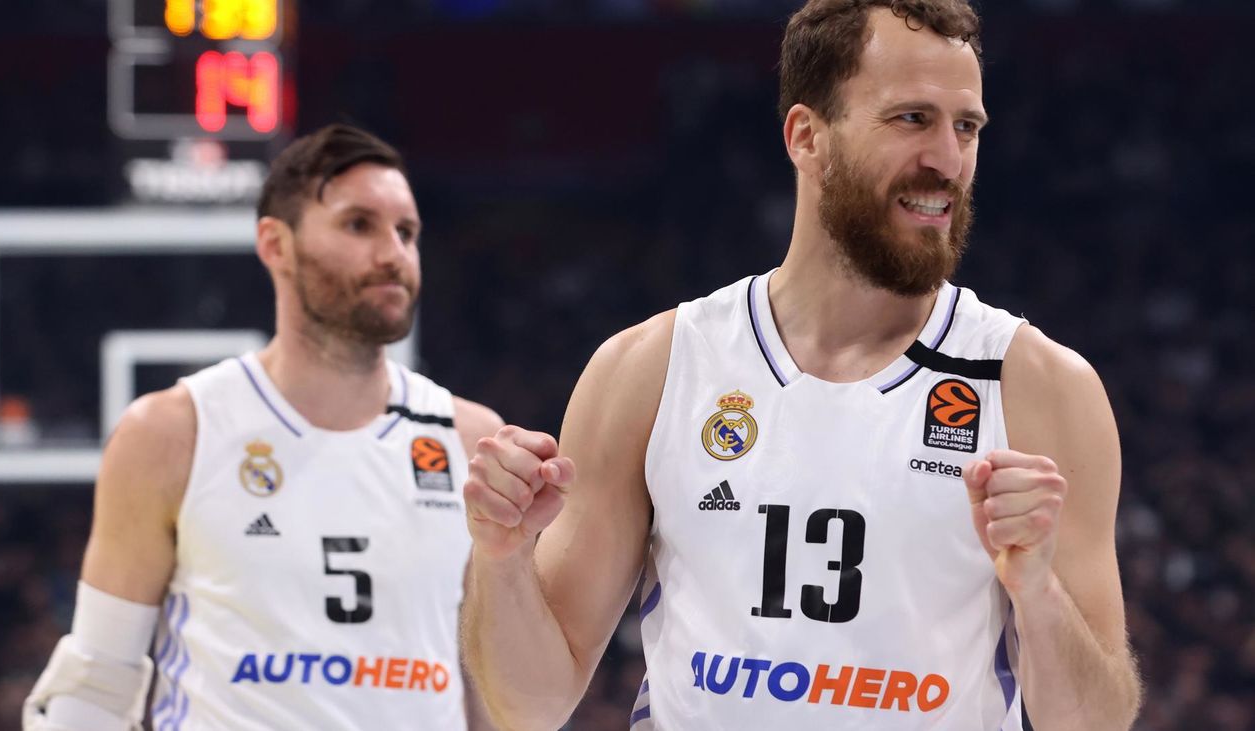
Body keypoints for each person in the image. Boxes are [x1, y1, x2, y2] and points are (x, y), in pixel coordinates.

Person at [460, 2, 1143, 729]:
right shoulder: (653, 368)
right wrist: (500, 556)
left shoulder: (1040, 387)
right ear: (808, 137)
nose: (947, 159)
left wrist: (1037, 592)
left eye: (966, 127)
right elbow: (526, 703)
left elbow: (1097, 720)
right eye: (911, 118)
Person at [23, 124, 501, 730]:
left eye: (406, 232)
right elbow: (96, 681)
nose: (393, 253)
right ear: (276, 244)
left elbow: (496, 697)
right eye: (360, 225)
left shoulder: (468, 440)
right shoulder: (172, 433)